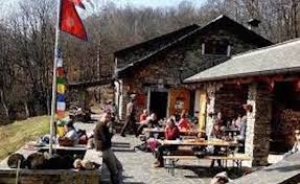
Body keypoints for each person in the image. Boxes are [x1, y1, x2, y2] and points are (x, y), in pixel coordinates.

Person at [94, 112, 123, 184]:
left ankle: (117, 181)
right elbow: (105, 139)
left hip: (107, 148)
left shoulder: (103, 125)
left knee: (119, 166)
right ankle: (116, 182)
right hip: (104, 150)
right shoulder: (101, 125)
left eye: (109, 118)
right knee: (114, 170)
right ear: (102, 117)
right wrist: (111, 132)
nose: (107, 119)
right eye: (106, 117)